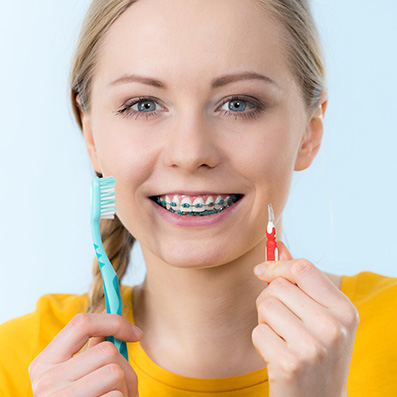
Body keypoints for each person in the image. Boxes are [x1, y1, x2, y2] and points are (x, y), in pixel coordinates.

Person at [1, 0, 396, 395]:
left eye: (238, 104)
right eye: (144, 105)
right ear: (91, 136)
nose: (190, 154)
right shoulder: (17, 364)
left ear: (309, 130)